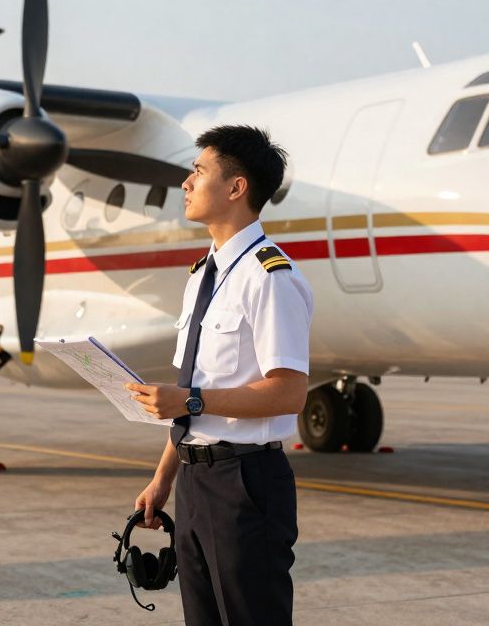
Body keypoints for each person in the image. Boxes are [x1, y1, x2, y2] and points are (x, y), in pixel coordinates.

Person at [125, 124, 312, 626]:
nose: (186, 185)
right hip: (193, 479)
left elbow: (289, 391)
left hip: (246, 482)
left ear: (236, 187)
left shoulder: (270, 277)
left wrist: (189, 401)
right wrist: (162, 479)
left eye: (198, 172)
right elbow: (193, 383)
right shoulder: (202, 277)